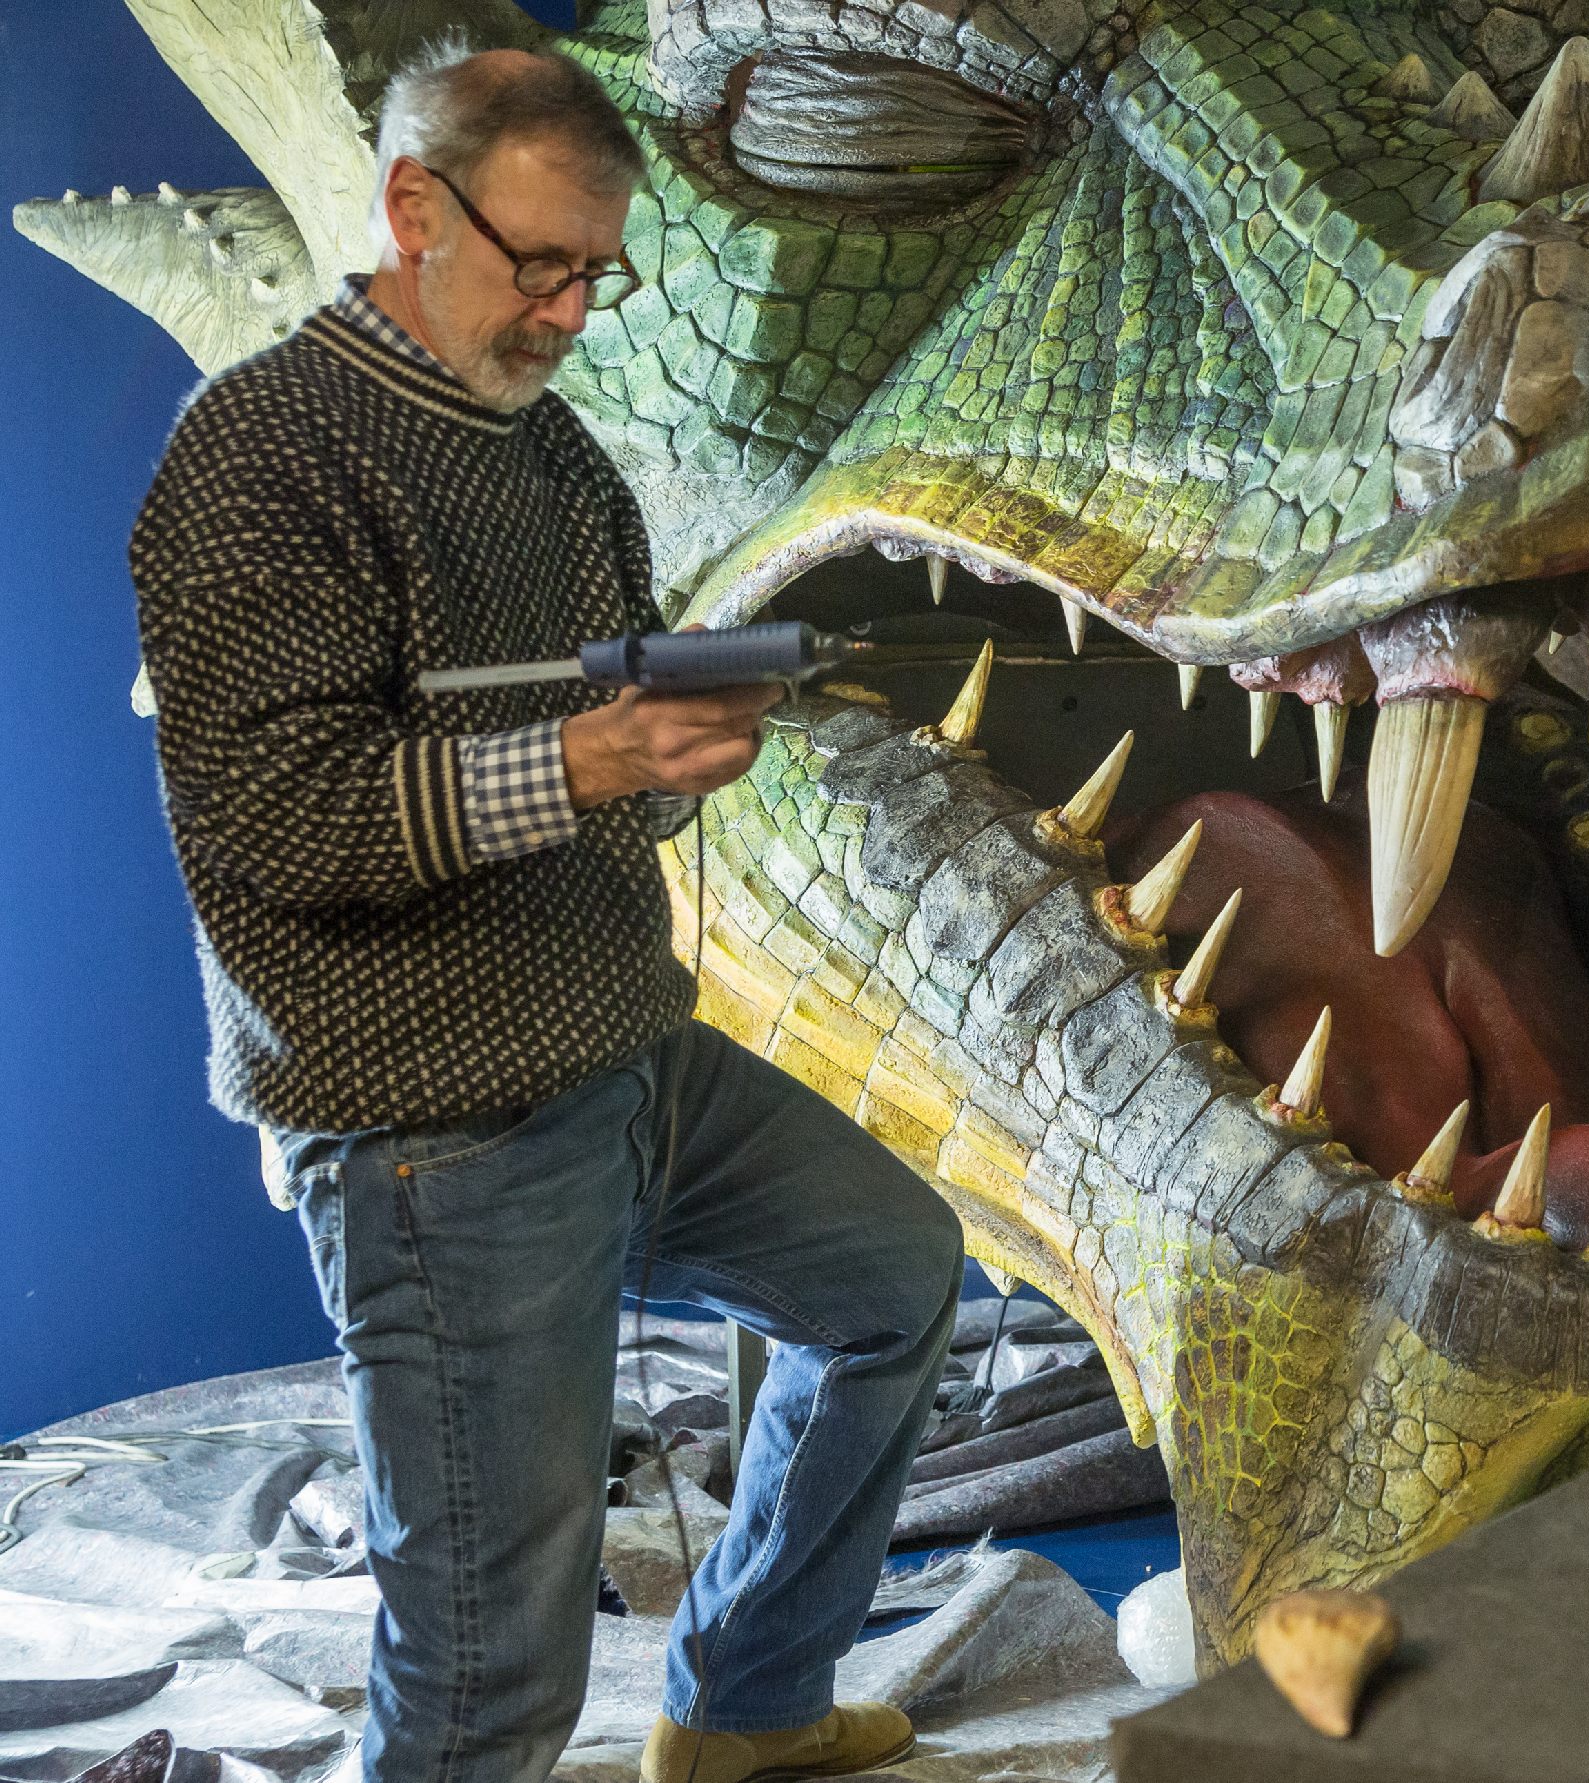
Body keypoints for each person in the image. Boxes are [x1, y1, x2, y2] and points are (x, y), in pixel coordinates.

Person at [126, 41, 962, 1783]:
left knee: (891, 1282)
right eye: (542, 265)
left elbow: (607, 751)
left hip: (625, 1061)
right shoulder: (257, 452)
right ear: (414, 208)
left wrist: (673, 755)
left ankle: (747, 1709)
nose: (574, 311)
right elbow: (283, 822)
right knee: (493, 1662)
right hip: (433, 1132)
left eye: (602, 270)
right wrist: (585, 761)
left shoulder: (558, 458)